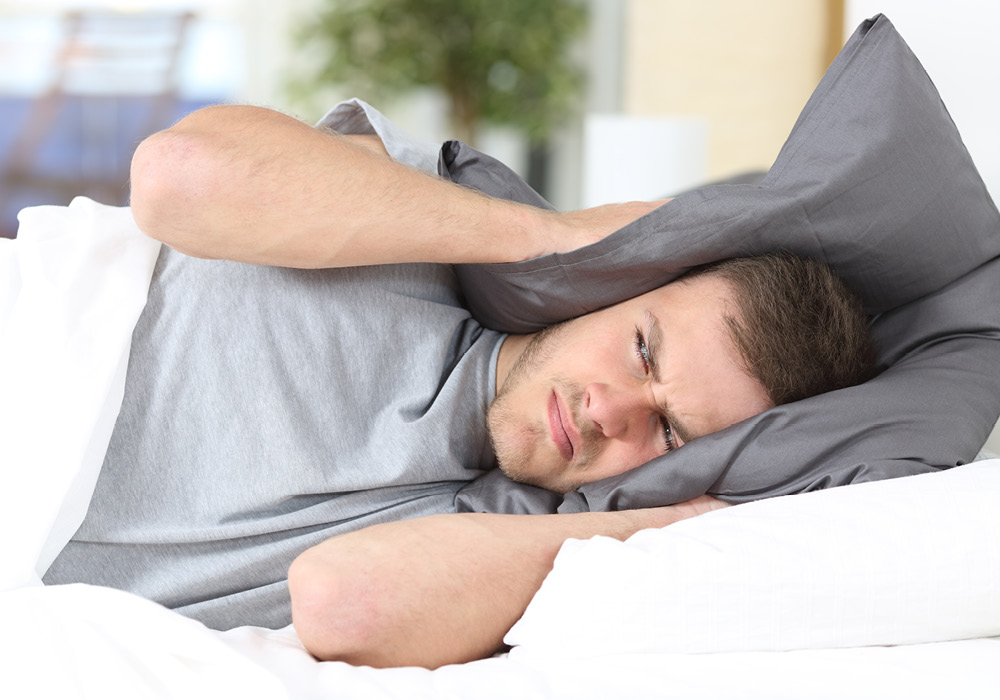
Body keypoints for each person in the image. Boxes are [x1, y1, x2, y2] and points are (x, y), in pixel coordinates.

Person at [43, 103, 875, 669]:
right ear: (629, 286)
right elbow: (175, 175)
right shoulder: (420, 231)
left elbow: (344, 606)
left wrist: (686, 522)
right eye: (642, 352)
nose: (608, 410)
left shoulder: (475, 530)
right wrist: (554, 239)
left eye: (670, 435)